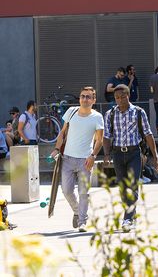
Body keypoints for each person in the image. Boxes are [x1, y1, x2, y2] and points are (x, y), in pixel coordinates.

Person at [103, 84, 158, 232]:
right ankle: (132, 215)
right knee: (123, 188)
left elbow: (148, 134)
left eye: (123, 96)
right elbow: (107, 136)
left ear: (128, 95)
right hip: (117, 154)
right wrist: (107, 154)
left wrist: (156, 157)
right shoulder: (110, 114)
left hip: (134, 153)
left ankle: (127, 219)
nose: (120, 100)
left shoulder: (139, 112)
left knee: (133, 185)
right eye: (117, 98)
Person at [49, 86, 104, 232]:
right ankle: (77, 211)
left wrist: (93, 156)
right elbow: (62, 132)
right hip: (67, 158)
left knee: (83, 192)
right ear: (79, 98)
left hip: (85, 160)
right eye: (82, 96)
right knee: (66, 191)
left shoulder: (97, 117)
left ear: (94, 100)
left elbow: (100, 140)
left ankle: (82, 222)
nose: (85, 99)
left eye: (88, 97)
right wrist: (56, 149)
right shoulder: (71, 111)